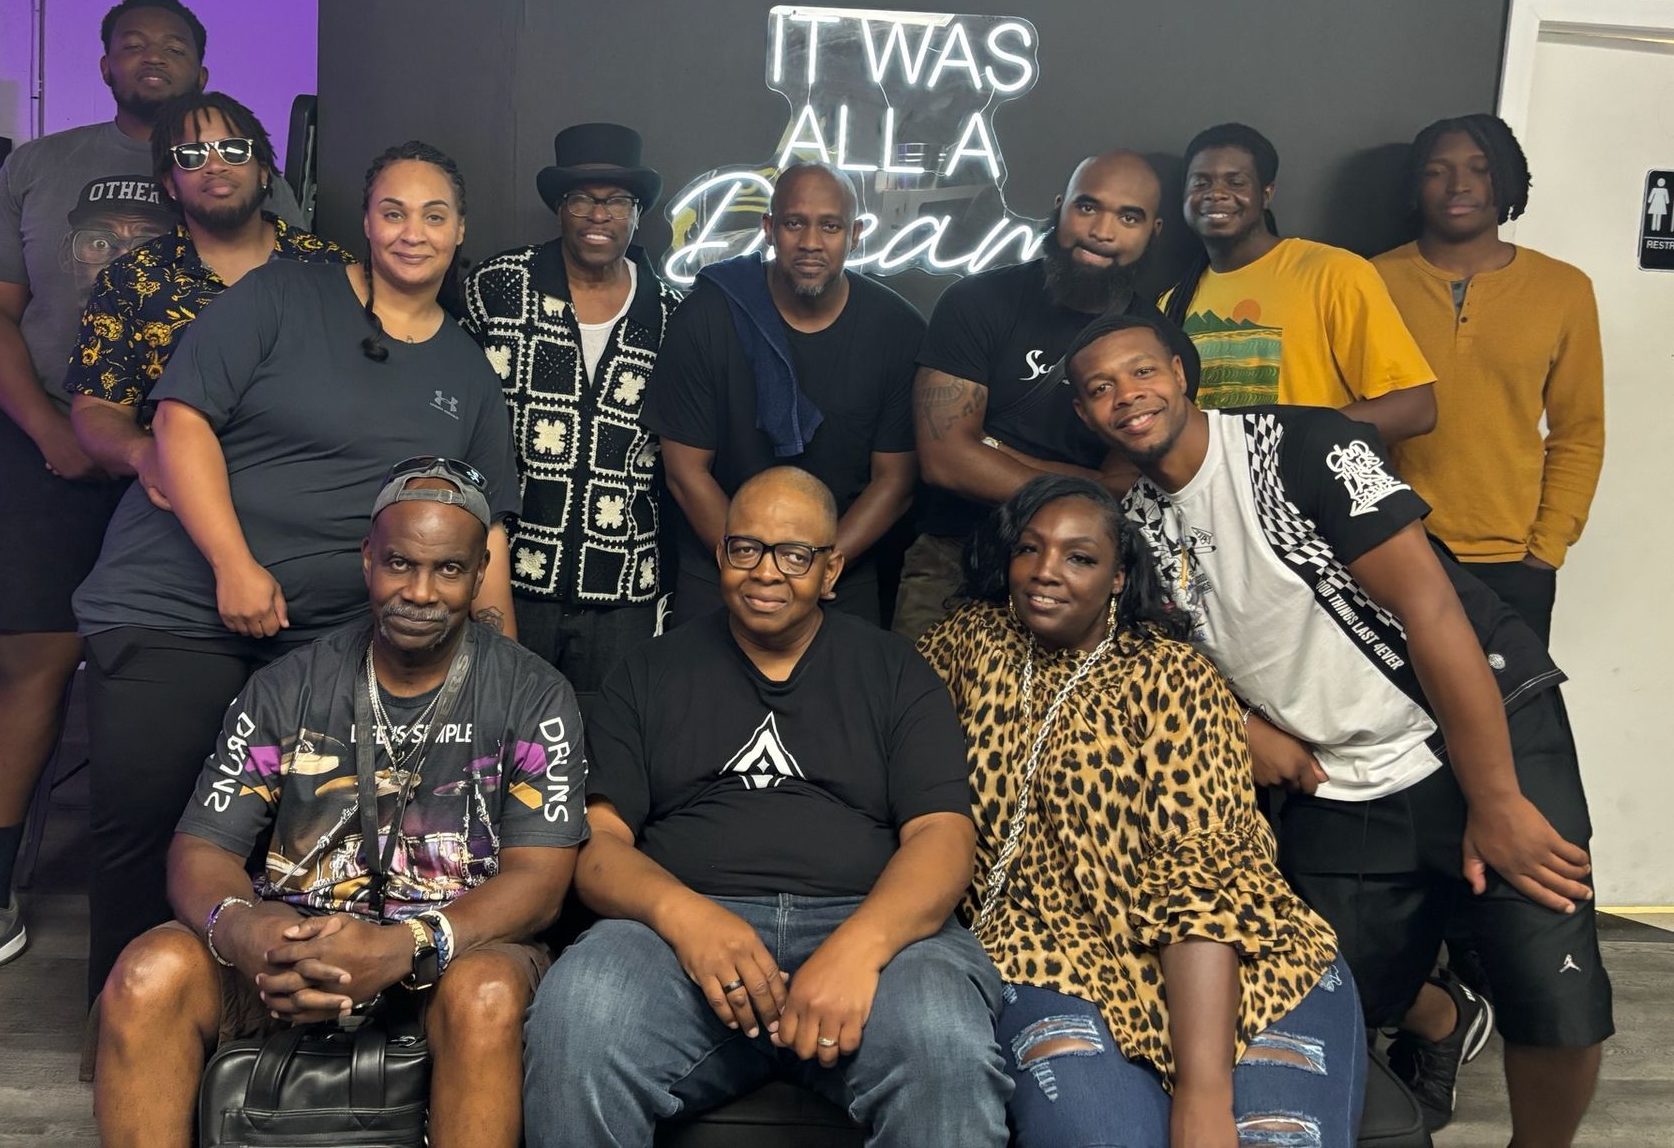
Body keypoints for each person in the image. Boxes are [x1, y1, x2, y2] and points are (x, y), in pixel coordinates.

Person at [1067, 315, 1610, 1144]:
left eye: (1141, 373)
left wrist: (1494, 799)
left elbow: (1431, 612)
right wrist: (1243, 725)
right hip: (1335, 770)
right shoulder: (1132, 522)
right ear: (1083, 415)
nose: (1126, 397)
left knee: (1555, 995)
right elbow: (1168, 660)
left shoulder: (1305, 445)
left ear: (1183, 372)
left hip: (1473, 724)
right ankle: (1442, 1016)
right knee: (1328, 998)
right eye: (1100, 388)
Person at [0, 0, 255, 1013]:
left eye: (174, 43)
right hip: (49, 454)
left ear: (204, 65)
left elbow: (281, 300)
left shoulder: (231, 161)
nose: (153, 57)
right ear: (103, 63)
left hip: (190, 472)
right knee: (25, 665)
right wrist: (52, 428)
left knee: (192, 674)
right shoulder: (40, 166)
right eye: (132, 43)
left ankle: (200, 905)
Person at [71, 142, 521, 1002]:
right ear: (366, 220)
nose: (412, 232)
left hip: (319, 638)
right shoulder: (281, 294)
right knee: (150, 817)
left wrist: (492, 672)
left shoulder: (466, 371)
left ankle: (247, 1024)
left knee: (293, 835)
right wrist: (234, 565)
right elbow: (179, 421)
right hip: (176, 602)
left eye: (434, 215)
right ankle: (127, 1023)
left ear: (461, 231)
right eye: (393, 211)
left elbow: (482, 533)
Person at [93, 462, 583, 1148]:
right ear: (367, 562)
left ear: (479, 576)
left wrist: (403, 946)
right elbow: (201, 848)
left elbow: (541, 883)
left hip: (451, 954)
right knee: (147, 976)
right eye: (399, 564)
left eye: (447, 570)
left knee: (488, 996)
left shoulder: (534, 695)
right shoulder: (287, 686)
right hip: (289, 950)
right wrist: (248, 933)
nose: (419, 591)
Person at [521, 466, 1011, 1147]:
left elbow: (943, 837)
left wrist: (857, 951)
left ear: (831, 569)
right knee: (581, 1013)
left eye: (794, 554)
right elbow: (597, 846)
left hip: (873, 930)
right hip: (677, 935)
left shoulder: (896, 672)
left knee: (943, 1043)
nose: (765, 572)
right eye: (744, 547)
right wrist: (688, 920)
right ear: (722, 554)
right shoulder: (647, 672)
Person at [919, 476, 1363, 1147]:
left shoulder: (1173, 678)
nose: (1046, 572)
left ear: (1120, 577)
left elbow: (1205, 889)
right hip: (1047, 954)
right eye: (1030, 550)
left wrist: (1203, 1091)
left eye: (1080, 558)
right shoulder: (966, 644)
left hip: (1241, 967)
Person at [897, 149, 1197, 642]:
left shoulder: (1162, 350)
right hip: (954, 555)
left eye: (1128, 217)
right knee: (913, 711)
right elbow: (945, 461)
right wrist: (1087, 479)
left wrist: (995, 450)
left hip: (1079, 571)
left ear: (1154, 232)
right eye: (1087, 207)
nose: (1102, 230)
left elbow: (1121, 489)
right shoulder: (976, 303)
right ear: (1060, 208)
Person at [644, 164, 924, 624]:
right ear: (770, 229)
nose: (811, 241)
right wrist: (754, 567)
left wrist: (818, 570)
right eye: (794, 223)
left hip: (840, 570)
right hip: (722, 564)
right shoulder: (708, 316)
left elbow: (894, 482)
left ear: (854, 235)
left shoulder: (897, 329)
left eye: (830, 226)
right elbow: (685, 472)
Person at [461, 123, 682, 696]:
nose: (598, 215)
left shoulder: (672, 313)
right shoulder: (498, 286)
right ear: (560, 208)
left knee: (612, 748)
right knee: (501, 741)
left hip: (625, 583)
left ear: (638, 214)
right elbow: (456, 420)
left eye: (617, 202)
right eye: (581, 198)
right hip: (513, 574)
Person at [1373, 114, 1604, 646]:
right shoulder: (1370, 280)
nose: (1459, 185)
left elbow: (1579, 433)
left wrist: (1545, 551)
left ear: (1507, 181)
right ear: (1416, 183)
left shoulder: (1564, 290)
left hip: (1512, 562)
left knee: (1510, 726)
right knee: (1399, 723)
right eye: (1438, 170)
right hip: (1393, 549)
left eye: (1480, 169)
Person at [66, 89, 351, 502]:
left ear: (264, 172)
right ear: (171, 183)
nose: (215, 165)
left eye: (234, 150)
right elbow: (96, 411)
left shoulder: (332, 269)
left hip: (317, 494)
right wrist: (143, 454)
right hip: (177, 500)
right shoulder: (129, 280)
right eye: (192, 156)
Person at [1162, 122, 1436, 443]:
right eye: (1201, 183)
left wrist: (1278, 441)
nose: (1216, 193)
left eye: (1236, 182)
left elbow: (1414, 408)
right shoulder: (1171, 303)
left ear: (1266, 194)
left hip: (1306, 489)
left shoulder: (1333, 272)